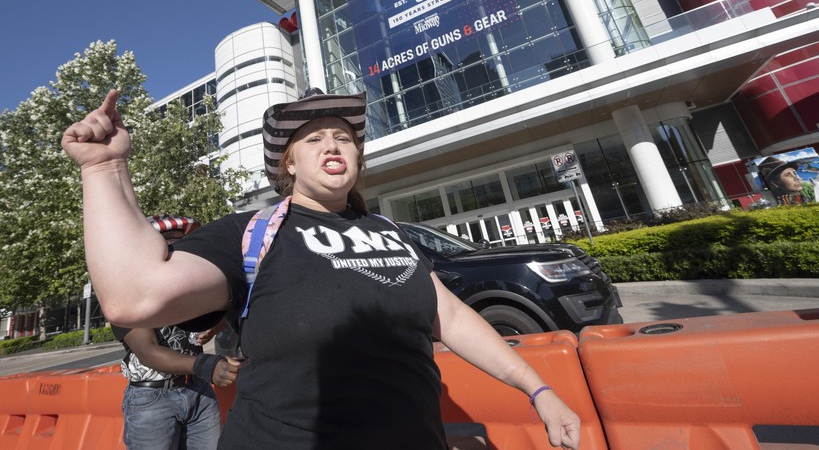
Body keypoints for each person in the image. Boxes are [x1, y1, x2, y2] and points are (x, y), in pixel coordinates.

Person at [62, 88, 581, 450]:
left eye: (343, 137)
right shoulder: (253, 232)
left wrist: (540, 391)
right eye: (313, 139)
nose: (333, 144)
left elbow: (454, 317)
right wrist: (104, 168)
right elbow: (133, 298)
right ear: (288, 164)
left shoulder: (389, 232)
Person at [112, 214, 241, 450]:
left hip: (198, 390)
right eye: (169, 241)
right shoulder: (129, 292)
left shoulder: (190, 285)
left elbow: (225, 313)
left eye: (182, 241)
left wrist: (216, 325)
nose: (176, 248)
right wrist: (207, 365)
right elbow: (148, 351)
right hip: (151, 400)